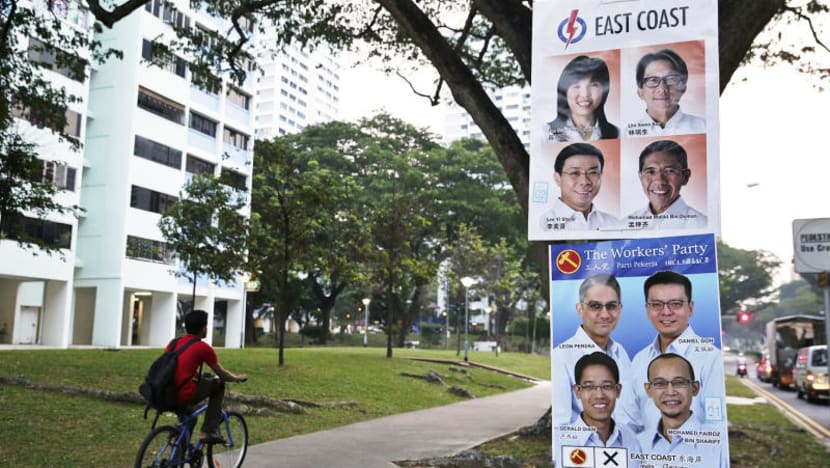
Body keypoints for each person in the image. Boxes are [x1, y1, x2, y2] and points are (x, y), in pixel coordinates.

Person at [629, 271, 724, 434]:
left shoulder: (711, 358)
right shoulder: (639, 359)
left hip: (695, 456)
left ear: (690, 308)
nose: (666, 312)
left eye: (676, 304)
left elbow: (716, 425)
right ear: (647, 309)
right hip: (647, 456)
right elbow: (631, 420)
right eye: (657, 305)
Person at [552, 274, 636, 428]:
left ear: (620, 309)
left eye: (611, 306)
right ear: (580, 309)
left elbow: (629, 413)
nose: (604, 314)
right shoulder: (561, 357)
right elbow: (560, 427)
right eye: (595, 306)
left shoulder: (620, 352)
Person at [168, 309, 248, 443]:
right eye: (207, 326)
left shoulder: (173, 343)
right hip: (183, 393)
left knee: (190, 419)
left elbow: (180, 366)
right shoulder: (203, 347)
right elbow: (221, 373)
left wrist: (199, 375)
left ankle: (176, 459)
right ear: (203, 328)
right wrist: (236, 378)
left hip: (167, 392)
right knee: (219, 386)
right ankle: (208, 431)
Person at [639, 353, 728, 467]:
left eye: (679, 382)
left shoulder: (720, 444)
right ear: (648, 390)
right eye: (660, 383)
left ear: (695, 388)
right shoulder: (638, 444)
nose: (670, 392)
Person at [555, 352, 642, 467]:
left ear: (618, 390)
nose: (599, 395)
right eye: (589, 386)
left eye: (606, 386)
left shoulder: (630, 438)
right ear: (577, 391)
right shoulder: (559, 442)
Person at [623, 139, 707, 230]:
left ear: (685, 177)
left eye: (669, 171)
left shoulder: (702, 225)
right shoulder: (624, 225)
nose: (659, 181)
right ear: (640, 177)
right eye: (651, 171)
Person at [539, 143, 618, 232]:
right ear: (557, 179)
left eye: (592, 173)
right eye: (574, 173)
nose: (584, 182)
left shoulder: (613, 223)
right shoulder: (542, 225)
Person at [628, 48, 705, 137]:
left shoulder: (704, 127)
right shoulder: (626, 133)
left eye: (671, 79)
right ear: (640, 92)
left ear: (683, 88)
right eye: (653, 80)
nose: (662, 88)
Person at [546, 55, 619, 142]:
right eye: (576, 86)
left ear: (604, 90)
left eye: (594, 85)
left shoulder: (617, 133)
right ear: (564, 91)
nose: (585, 94)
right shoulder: (547, 134)